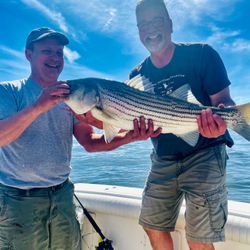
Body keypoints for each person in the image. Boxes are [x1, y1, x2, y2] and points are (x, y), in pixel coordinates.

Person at [0, 27, 161, 250]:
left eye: (59, 53)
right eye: (47, 51)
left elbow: (91, 143)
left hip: (62, 196)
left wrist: (130, 136)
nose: (55, 58)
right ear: (29, 54)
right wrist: (38, 106)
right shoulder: (9, 91)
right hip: (18, 200)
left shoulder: (72, 96)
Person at [129, 1, 236, 250]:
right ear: (138, 31)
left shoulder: (201, 54)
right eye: (143, 24)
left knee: (199, 237)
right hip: (163, 158)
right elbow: (137, 121)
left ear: (170, 24)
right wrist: (138, 132)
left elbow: (223, 101)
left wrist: (221, 121)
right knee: (152, 225)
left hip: (205, 152)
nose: (150, 29)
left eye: (156, 20)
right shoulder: (137, 75)